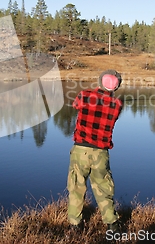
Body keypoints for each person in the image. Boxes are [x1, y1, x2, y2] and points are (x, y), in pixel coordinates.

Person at [67, 69, 123, 232]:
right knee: (103, 188)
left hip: (81, 149)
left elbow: (75, 105)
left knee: (76, 187)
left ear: (99, 81)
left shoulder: (85, 95)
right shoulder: (117, 104)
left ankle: (75, 224)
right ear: (116, 87)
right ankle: (112, 224)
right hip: (101, 152)